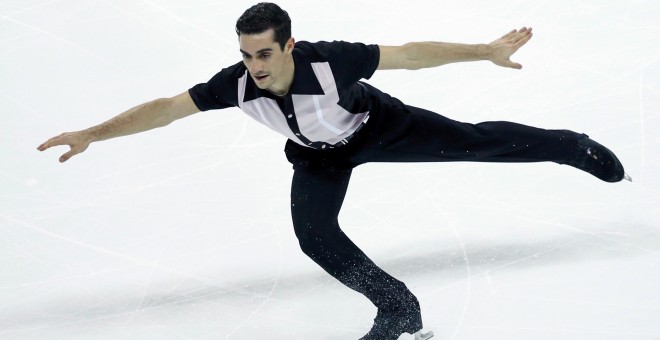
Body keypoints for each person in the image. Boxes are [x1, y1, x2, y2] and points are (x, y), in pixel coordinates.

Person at [37, 2, 629, 339]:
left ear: (289, 45)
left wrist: (483, 50)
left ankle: (570, 146)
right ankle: (398, 307)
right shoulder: (236, 85)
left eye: (265, 53)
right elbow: (167, 110)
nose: (256, 66)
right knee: (314, 236)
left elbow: (410, 54)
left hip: (380, 125)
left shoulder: (329, 61)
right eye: (247, 54)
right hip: (319, 156)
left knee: (474, 142)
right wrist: (92, 133)